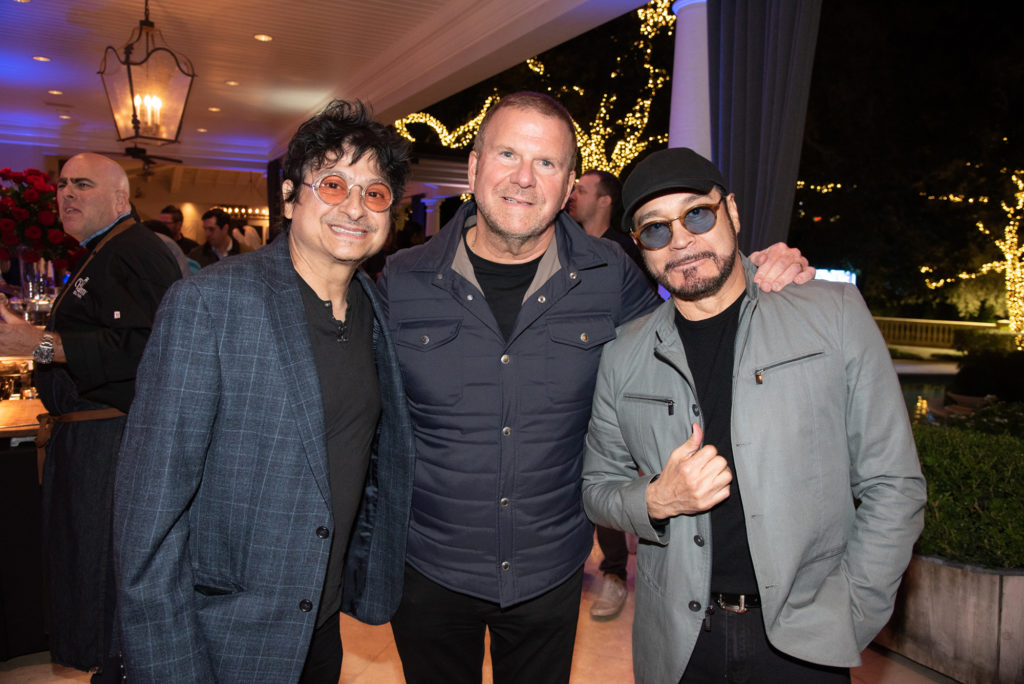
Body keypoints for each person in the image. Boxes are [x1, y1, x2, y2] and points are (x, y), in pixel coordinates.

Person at [378, 91, 814, 684]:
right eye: (507, 154)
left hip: (548, 575)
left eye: (548, 164)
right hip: (428, 569)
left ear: (568, 189)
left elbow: (698, 309)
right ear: (475, 167)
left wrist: (763, 268)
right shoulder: (402, 280)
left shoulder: (611, 274)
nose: (524, 178)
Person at [581, 147, 927, 684]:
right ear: (639, 248)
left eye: (697, 214)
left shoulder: (831, 314)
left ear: (733, 213)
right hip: (677, 647)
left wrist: (852, 612)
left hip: (805, 642)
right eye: (655, 229)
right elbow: (598, 488)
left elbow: (893, 484)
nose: (681, 240)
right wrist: (655, 498)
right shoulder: (623, 353)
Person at [113, 99, 416, 683]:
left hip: (320, 626)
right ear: (289, 198)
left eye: (375, 193)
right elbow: (148, 518)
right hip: (225, 634)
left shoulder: (377, 311)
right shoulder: (211, 305)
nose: (355, 207)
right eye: (333, 184)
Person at [0, 153, 182, 682]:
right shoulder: (102, 251)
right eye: (62, 185)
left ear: (120, 199)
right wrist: (36, 349)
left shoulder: (133, 250)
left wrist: (36, 343)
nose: (67, 194)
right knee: (89, 576)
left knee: (106, 579)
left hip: (111, 439)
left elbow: (150, 346)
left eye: (83, 184)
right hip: (89, 438)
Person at [567, 169, 639, 620]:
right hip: (572, 390)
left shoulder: (626, 254)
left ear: (606, 201)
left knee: (606, 478)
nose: (572, 195)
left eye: (581, 190)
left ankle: (614, 575)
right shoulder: (564, 247)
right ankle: (571, 567)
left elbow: (647, 322)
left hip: (610, 392)